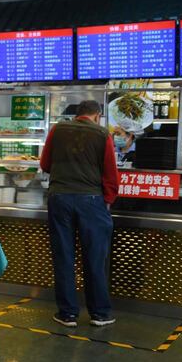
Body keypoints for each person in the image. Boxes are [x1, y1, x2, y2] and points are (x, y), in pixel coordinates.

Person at [40, 100, 119, 328]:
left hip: (59, 199)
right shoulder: (103, 134)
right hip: (91, 201)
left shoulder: (57, 129)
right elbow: (110, 174)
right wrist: (108, 200)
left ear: (78, 114)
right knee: (94, 258)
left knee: (64, 256)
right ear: (97, 115)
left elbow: (45, 164)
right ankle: (100, 314)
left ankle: (67, 314)